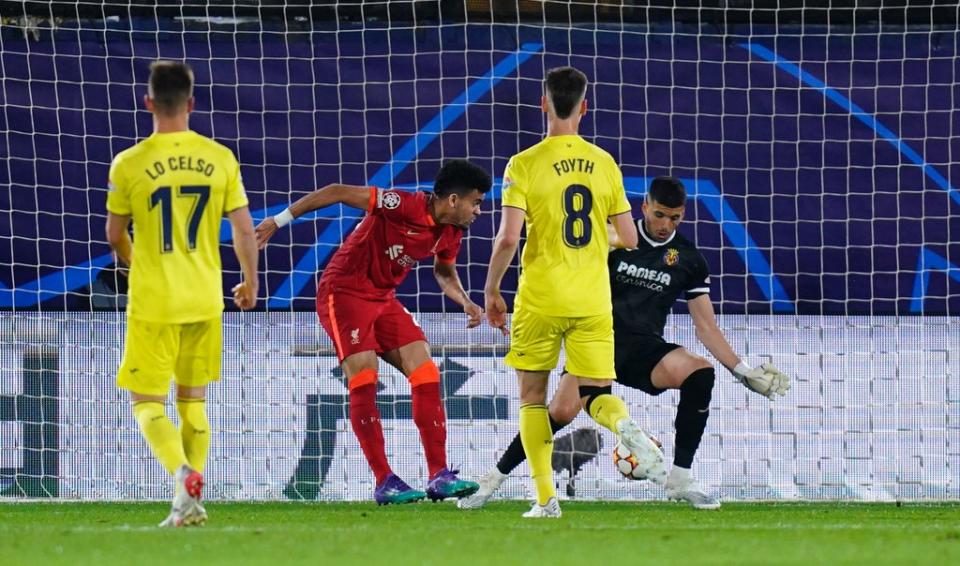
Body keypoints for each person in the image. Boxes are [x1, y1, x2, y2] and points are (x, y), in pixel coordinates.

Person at [463, 176, 791, 510]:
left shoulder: (690, 259)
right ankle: (493, 480)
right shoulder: (609, 237)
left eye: (674, 218)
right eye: (659, 215)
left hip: (643, 350)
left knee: (701, 373)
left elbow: (706, 327)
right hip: (595, 340)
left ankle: (679, 477)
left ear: (684, 215)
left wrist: (742, 371)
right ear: (644, 206)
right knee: (558, 413)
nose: (665, 225)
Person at [483, 66, 665, 519]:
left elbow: (508, 238)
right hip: (591, 300)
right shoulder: (604, 163)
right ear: (585, 107)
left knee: (531, 397)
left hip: (542, 298)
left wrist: (491, 289)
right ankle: (624, 424)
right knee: (595, 390)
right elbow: (629, 236)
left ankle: (546, 499)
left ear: (542, 104)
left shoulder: (522, 164)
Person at [255, 160, 492, 505]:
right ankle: (385, 481)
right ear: (453, 200)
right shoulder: (404, 204)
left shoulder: (452, 231)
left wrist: (466, 301)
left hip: (383, 299)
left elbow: (443, 271)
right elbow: (336, 192)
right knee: (365, 377)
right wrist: (278, 221)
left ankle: (439, 475)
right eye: (476, 202)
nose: (478, 211)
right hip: (344, 292)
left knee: (426, 371)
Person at [106, 61, 259, 527]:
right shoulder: (220, 157)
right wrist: (250, 281)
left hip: (154, 298)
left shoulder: (129, 163)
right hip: (204, 297)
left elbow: (115, 234)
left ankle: (182, 473)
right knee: (193, 403)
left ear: (148, 102)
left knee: (146, 403)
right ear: (191, 104)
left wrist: (135, 261)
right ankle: (189, 503)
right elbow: (243, 227)